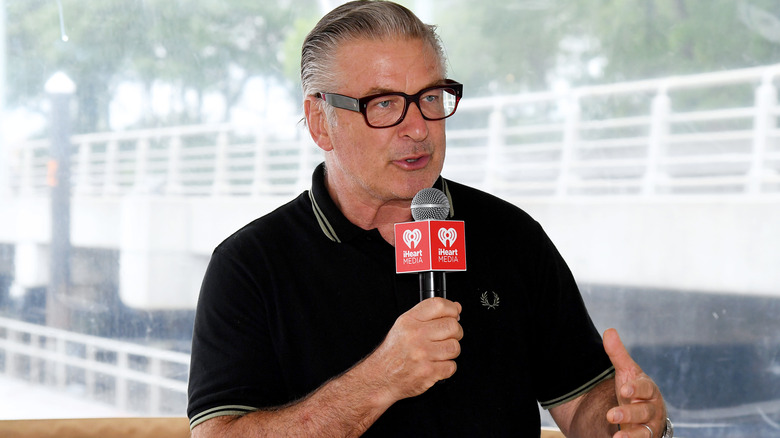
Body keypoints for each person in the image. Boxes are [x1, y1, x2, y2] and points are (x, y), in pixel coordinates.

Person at [187, 1, 672, 437]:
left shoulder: (511, 236)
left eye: (431, 98)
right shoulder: (250, 264)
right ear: (320, 123)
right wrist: (379, 380)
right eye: (384, 104)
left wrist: (624, 418)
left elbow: (582, 400)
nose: (418, 127)